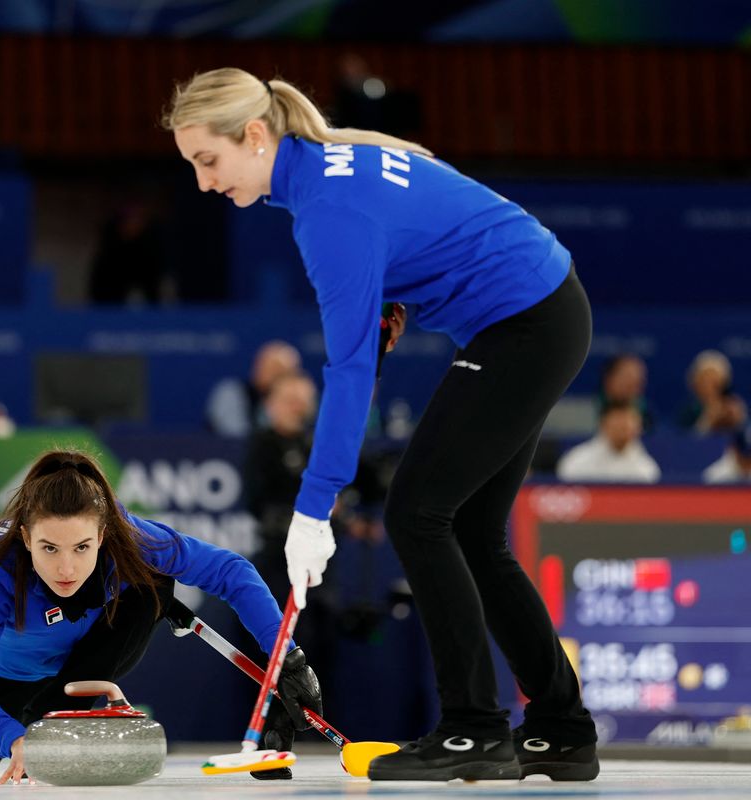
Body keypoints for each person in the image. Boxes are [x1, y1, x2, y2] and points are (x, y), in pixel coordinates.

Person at [166, 68, 598, 782]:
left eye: (208, 161)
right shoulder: (325, 166)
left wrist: (314, 507)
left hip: (524, 325)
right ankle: (562, 730)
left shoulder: (326, 212)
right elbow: (424, 205)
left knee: (418, 514)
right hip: (541, 313)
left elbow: (348, 373)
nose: (204, 183)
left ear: (254, 135)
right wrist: (392, 294)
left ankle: (474, 730)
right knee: (471, 530)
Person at [0, 449, 322, 783]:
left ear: (102, 535)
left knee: (153, 584)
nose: (66, 568)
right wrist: (13, 739)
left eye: (82, 547)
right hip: (6, 677)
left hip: (77, 668)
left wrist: (286, 658)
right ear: (26, 537)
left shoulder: (130, 538)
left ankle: (57, 718)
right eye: (49, 549)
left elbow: (231, 572)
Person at [206, 339, 301, 437]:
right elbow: (233, 434)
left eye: (285, 373)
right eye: (273, 368)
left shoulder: (298, 401)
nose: (276, 375)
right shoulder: (231, 392)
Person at [556, 401, 661, 484]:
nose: (623, 425)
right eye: (617, 419)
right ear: (603, 423)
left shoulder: (647, 469)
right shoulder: (575, 461)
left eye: (630, 419)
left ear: (639, 426)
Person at [679, 350, 747, 435]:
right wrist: (708, 420)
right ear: (695, 383)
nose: (709, 386)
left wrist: (738, 420)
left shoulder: (733, 408)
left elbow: (743, 436)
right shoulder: (689, 412)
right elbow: (684, 440)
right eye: (704, 380)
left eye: (714, 381)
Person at [598, 353, 654, 431]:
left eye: (639, 379)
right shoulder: (590, 412)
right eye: (628, 377)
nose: (634, 384)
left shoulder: (647, 418)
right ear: (609, 379)